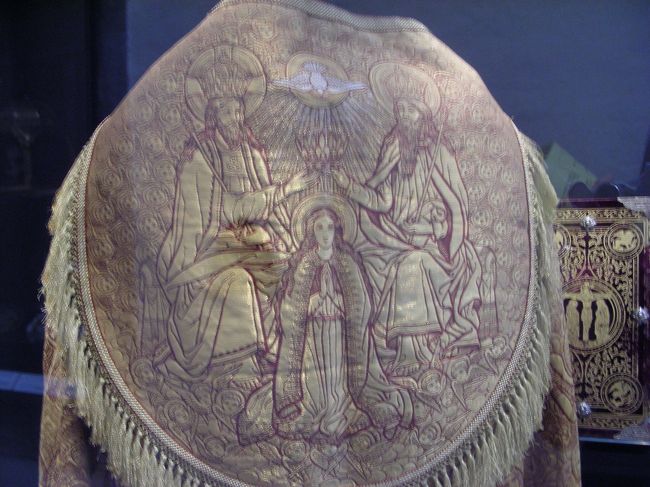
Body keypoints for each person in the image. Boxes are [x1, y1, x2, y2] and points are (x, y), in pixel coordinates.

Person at [152, 93, 315, 385]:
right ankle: (241, 361)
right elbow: (229, 211)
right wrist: (286, 189)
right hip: (208, 249)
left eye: (238, 112)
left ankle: (273, 345)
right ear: (214, 119)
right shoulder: (201, 160)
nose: (235, 120)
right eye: (227, 113)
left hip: (249, 243)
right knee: (238, 280)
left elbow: (270, 208)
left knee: (284, 267)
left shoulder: (251, 154)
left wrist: (289, 238)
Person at [333, 93, 482, 376]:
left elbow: (456, 210)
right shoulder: (394, 152)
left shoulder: (437, 155)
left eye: (410, 111)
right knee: (376, 261)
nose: (403, 116)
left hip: (434, 248)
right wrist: (352, 186)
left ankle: (415, 353)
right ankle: (398, 349)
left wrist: (429, 229)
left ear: (423, 117)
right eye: (400, 110)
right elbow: (381, 203)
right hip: (395, 242)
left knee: (412, 264)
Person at [271, 207, 408, 441]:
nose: (325, 233)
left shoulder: (347, 263)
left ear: (337, 231)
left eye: (330, 228)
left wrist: (340, 302)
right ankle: (311, 410)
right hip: (313, 334)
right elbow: (291, 304)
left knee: (338, 376)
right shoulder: (305, 264)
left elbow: (362, 302)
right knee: (313, 376)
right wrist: (311, 302)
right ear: (312, 232)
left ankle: (341, 409)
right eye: (319, 228)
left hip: (340, 333)